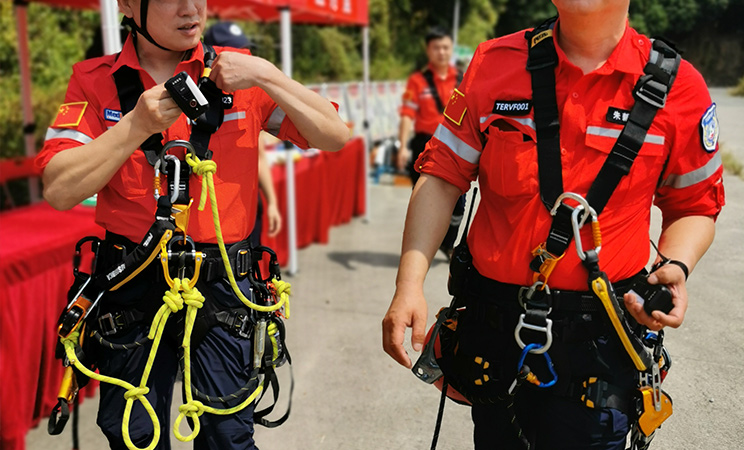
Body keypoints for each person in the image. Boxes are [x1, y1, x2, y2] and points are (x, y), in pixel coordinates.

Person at [382, 1, 725, 449]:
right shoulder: (494, 64)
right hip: (495, 336)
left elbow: (694, 205)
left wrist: (677, 265)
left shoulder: (680, 87)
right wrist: (409, 283)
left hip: (602, 345)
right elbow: (443, 176)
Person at [37, 0, 348, 449]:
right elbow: (59, 190)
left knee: (227, 434)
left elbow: (334, 134)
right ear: (129, 5)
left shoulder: (237, 74)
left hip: (224, 285)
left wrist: (266, 74)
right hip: (133, 283)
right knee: (135, 435)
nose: (191, 9)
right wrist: (135, 125)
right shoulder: (93, 80)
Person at [203, 21, 282, 247]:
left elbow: (257, 154)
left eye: (246, 51)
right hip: (207, 219)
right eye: (234, 52)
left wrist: (272, 202)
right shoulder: (189, 98)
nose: (244, 58)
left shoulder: (249, 94)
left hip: (245, 211)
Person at [398, 27, 464, 260]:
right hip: (423, 145)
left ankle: (448, 243)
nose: (442, 52)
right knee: (425, 199)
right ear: (428, 50)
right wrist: (403, 145)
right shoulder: (417, 81)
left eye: (446, 47)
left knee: (459, 202)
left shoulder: (464, 79)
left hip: (456, 145)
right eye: (436, 48)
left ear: (451, 50)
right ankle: (421, 247)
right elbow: (407, 114)